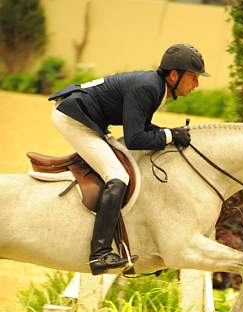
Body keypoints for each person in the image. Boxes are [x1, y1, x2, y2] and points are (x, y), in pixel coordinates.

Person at [49, 44, 210, 275]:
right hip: (74, 119)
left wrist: (169, 134)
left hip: (85, 117)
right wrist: (169, 135)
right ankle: (99, 254)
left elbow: (140, 127)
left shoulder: (155, 86)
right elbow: (135, 139)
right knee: (118, 175)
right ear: (174, 75)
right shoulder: (148, 87)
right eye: (193, 77)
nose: (196, 84)